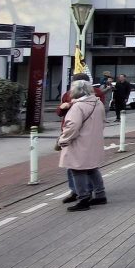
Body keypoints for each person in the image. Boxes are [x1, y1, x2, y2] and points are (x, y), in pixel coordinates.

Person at [57, 78, 108, 211]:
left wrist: (63, 140)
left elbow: (72, 126)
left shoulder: (78, 106)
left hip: (79, 142)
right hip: (93, 140)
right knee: (92, 168)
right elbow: (103, 122)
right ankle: (100, 195)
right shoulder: (97, 103)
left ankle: (83, 199)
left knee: (77, 170)